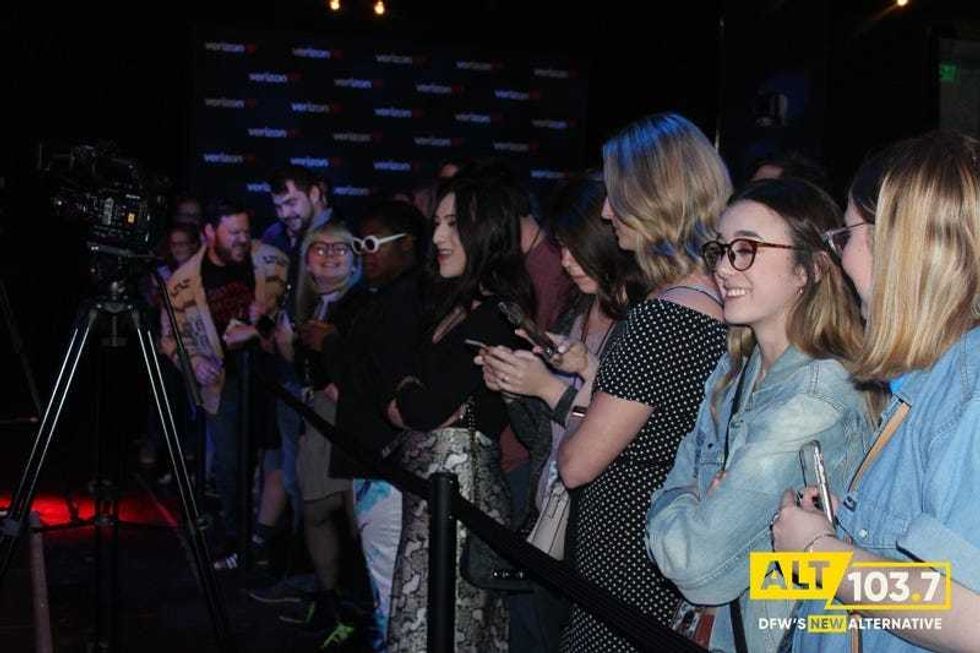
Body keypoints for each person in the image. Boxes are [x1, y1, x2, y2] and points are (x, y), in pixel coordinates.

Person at [772, 131, 980, 652]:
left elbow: (970, 618)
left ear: (898, 245)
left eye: (846, 235)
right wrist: (849, 530)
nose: (840, 257)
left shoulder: (967, 386)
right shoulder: (934, 377)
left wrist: (820, 556)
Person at [645, 178, 870, 652]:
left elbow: (695, 562)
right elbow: (682, 487)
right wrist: (695, 505)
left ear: (808, 269)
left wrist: (683, 504)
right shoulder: (733, 369)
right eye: (720, 250)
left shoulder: (817, 395)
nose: (724, 267)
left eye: (746, 249)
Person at [557, 112, 731, 652]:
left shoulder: (663, 318)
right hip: (671, 553)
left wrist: (580, 400)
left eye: (617, 195)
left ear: (655, 198)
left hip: (630, 558)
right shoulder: (725, 298)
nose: (606, 213)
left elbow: (577, 464)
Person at [476, 174, 647, 651]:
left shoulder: (644, 322)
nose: (566, 261)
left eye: (574, 247)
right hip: (549, 512)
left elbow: (621, 438)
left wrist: (547, 388)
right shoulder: (577, 310)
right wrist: (515, 386)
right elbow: (541, 439)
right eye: (561, 248)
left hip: (601, 530)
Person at [385, 173, 536, 652]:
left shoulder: (498, 314)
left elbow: (424, 408)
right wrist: (411, 391)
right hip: (435, 487)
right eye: (437, 223)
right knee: (422, 622)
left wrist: (410, 394)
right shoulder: (459, 304)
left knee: (444, 629)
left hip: (461, 490)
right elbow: (406, 378)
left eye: (452, 224)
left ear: (485, 231)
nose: (437, 236)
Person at [316, 200, 428, 652]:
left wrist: (330, 344)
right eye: (359, 245)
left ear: (407, 245)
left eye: (371, 243)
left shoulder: (405, 301)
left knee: (390, 579)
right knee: (386, 577)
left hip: (387, 462)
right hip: (376, 461)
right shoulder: (384, 297)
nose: (364, 254)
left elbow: (376, 381)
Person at [166, 199, 288, 556]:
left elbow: (291, 312)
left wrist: (261, 325)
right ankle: (237, 538)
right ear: (209, 232)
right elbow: (169, 338)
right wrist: (192, 360)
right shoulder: (183, 282)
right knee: (230, 464)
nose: (242, 239)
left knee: (276, 460)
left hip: (272, 376)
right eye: (233, 232)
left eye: (246, 231)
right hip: (222, 383)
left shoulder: (272, 261)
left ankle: (267, 540)